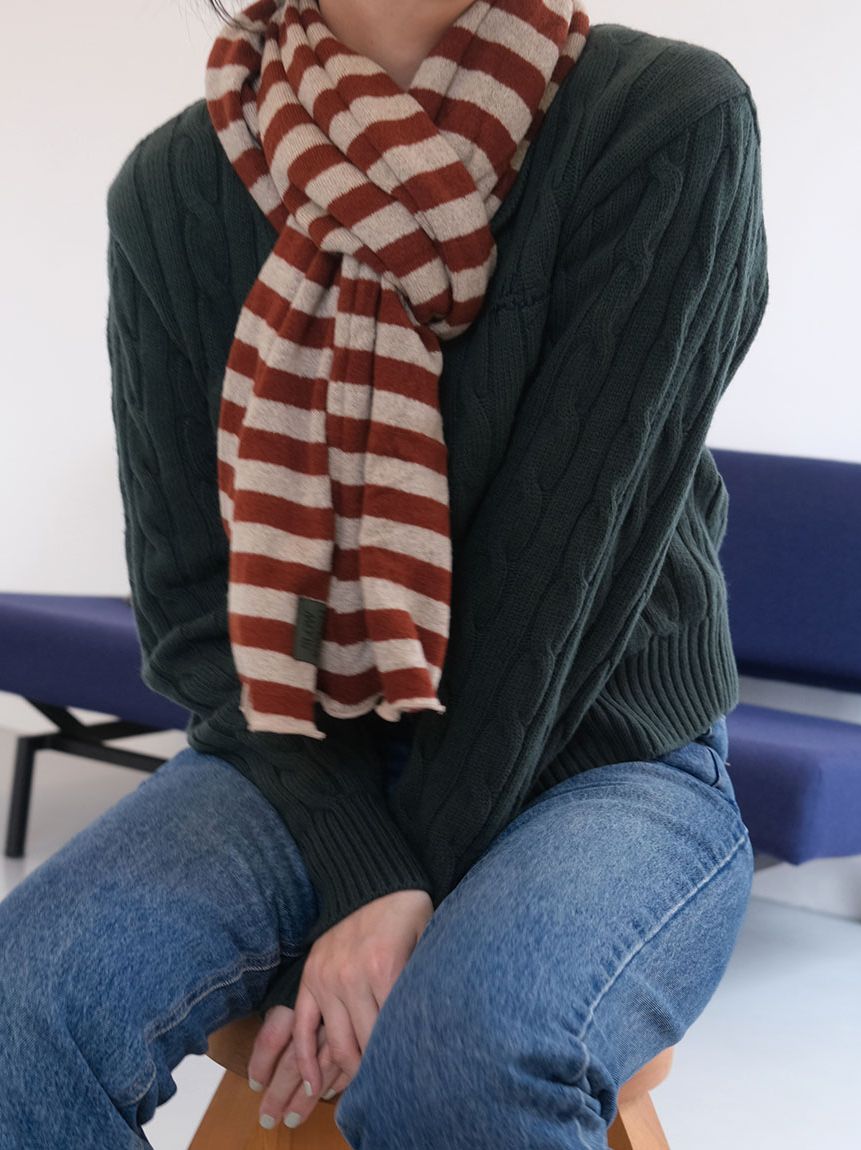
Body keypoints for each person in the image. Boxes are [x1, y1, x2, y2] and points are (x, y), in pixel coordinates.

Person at [0, 1, 769, 1147]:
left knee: (460, 1062)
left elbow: (559, 589)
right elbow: (196, 609)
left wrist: (395, 889)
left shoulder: (661, 123)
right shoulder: (174, 189)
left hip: (605, 758)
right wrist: (363, 868)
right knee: (21, 1014)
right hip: (299, 760)